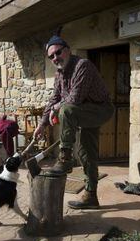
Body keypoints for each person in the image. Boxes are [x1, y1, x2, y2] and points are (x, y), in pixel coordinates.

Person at [33, 35, 114, 209]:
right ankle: (91, 195)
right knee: (86, 153)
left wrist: (57, 108)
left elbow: (74, 99)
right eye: (51, 56)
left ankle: (65, 159)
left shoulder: (82, 65)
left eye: (58, 53)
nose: (55, 58)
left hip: (100, 109)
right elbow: (54, 98)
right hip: (83, 112)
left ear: (67, 50)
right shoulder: (59, 74)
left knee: (67, 110)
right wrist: (42, 124)